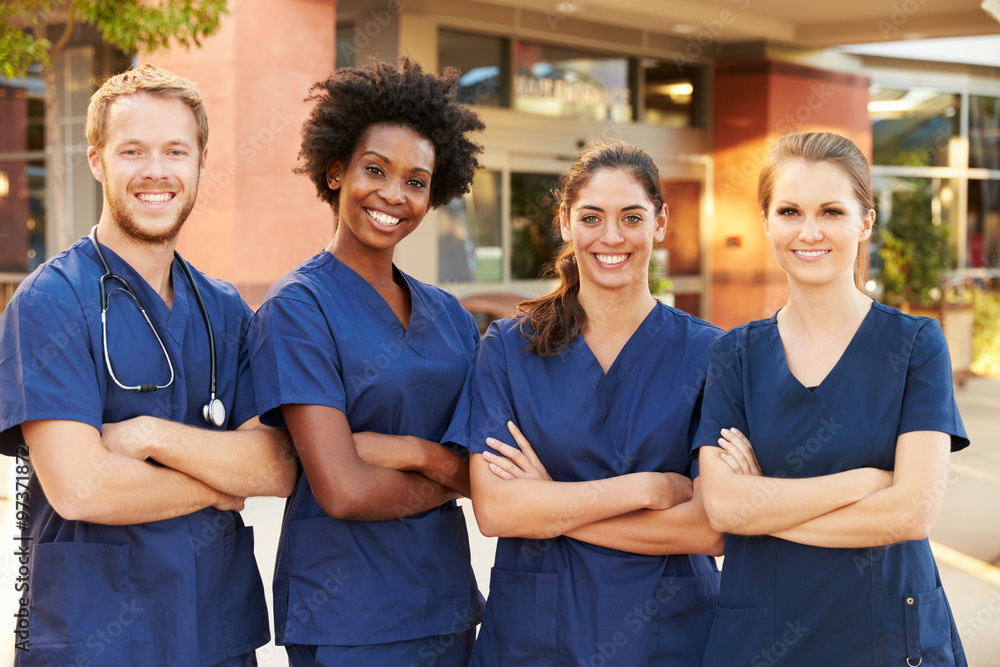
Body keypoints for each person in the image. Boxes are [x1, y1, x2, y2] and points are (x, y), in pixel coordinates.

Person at [0, 64, 297, 666]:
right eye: (133, 150)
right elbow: (83, 488)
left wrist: (147, 435)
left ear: (201, 163)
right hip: (97, 634)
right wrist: (217, 485)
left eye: (175, 151)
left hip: (215, 632)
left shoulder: (224, 308)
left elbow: (276, 466)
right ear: (96, 160)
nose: (156, 171)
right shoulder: (51, 300)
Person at [694, 131, 969, 666]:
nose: (810, 231)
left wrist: (763, 507)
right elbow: (723, 504)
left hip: (886, 633)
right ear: (767, 221)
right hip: (762, 637)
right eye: (791, 211)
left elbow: (910, 515)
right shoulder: (735, 355)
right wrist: (862, 485)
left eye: (832, 211)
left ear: (864, 222)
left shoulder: (914, 346)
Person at [446, 138, 724, 666]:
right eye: (592, 217)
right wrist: (645, 487)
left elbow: (708, 528)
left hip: (668, 638)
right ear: (565, 221)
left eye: (632, 217)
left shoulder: (710, 353)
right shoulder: (508, 348)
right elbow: (498, 509)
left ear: (660, 223)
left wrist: (550, 505)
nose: (611, 237)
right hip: (537, 638)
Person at [246, 57, 486, 666]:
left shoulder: (451, 316)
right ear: (335, 172)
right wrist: (447, 474)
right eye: (374, 170)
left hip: (448, 605)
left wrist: (413, 453)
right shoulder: (299, 308)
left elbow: (482, 474)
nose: (393, 195)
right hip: (350, 619)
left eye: (416, 181)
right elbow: (345, 490)